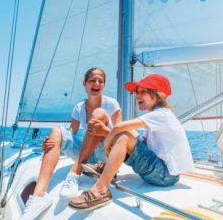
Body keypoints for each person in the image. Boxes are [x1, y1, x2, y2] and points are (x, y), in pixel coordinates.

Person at [68, 74, 195, 210]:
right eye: (136, 92)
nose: (137, 96)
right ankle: (106, 169)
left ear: (159, 95)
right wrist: (109, 134)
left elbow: (118, 127)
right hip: (163, 173)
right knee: (128, 134)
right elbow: (138, 142)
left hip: (165, 175)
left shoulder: (162, 115)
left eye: (143, 92)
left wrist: (106, 144)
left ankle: (100, 190)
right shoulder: (158, 117)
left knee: (123, 135)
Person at [15, 67, 121, 220]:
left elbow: (119, 136)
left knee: (98, 114)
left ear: (104, 85)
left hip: (106, 154)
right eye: (92, 80)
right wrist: (54, 142)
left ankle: (75, 171)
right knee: (57, 131)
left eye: (100, 81)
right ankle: (39, 195)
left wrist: (103, 130)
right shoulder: (78, 108)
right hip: (88, 154)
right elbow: (72, 134)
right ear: (85, 83)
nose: (96, 83)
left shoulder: (111, 104)